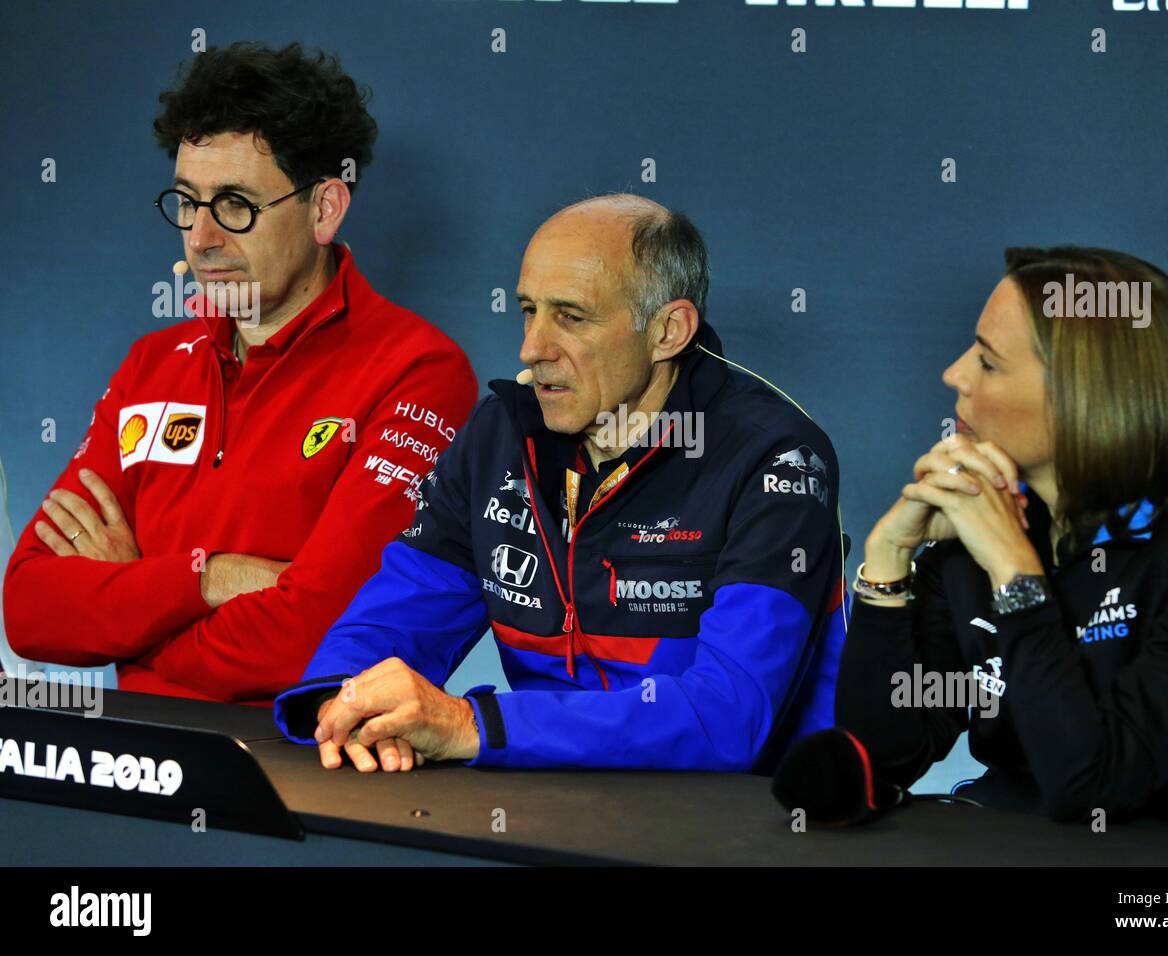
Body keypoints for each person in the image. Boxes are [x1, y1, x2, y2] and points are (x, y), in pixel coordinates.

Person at [274, 194, 846, 773]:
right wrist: (346, 703)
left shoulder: (776, 458)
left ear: (668, 330)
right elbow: (397, 614)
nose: (532, 348)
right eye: (529, 310)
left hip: (732, 827)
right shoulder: (500, 433)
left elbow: (727, 719)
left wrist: (471, 726)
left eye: (570, 317)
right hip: (545, 801)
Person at [2, 42, 477, 704]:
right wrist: (209, 577)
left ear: (324, 209)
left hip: (306, 777)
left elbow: (319, 638)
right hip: (135, 771)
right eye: (186, 202)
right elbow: (30, 608)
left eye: (234, 204)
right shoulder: (152, 364)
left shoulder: (418, 371)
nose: (199, 238)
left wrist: (134, 606)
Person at [836, 245, 1168, 846]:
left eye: (988, 361)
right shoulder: (992, 521)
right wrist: (889, 564)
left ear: (1085, 397)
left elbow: (1094, 784)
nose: (954, 374)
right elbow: (882, 755)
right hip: (1023, 840)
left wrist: (1014, 572)